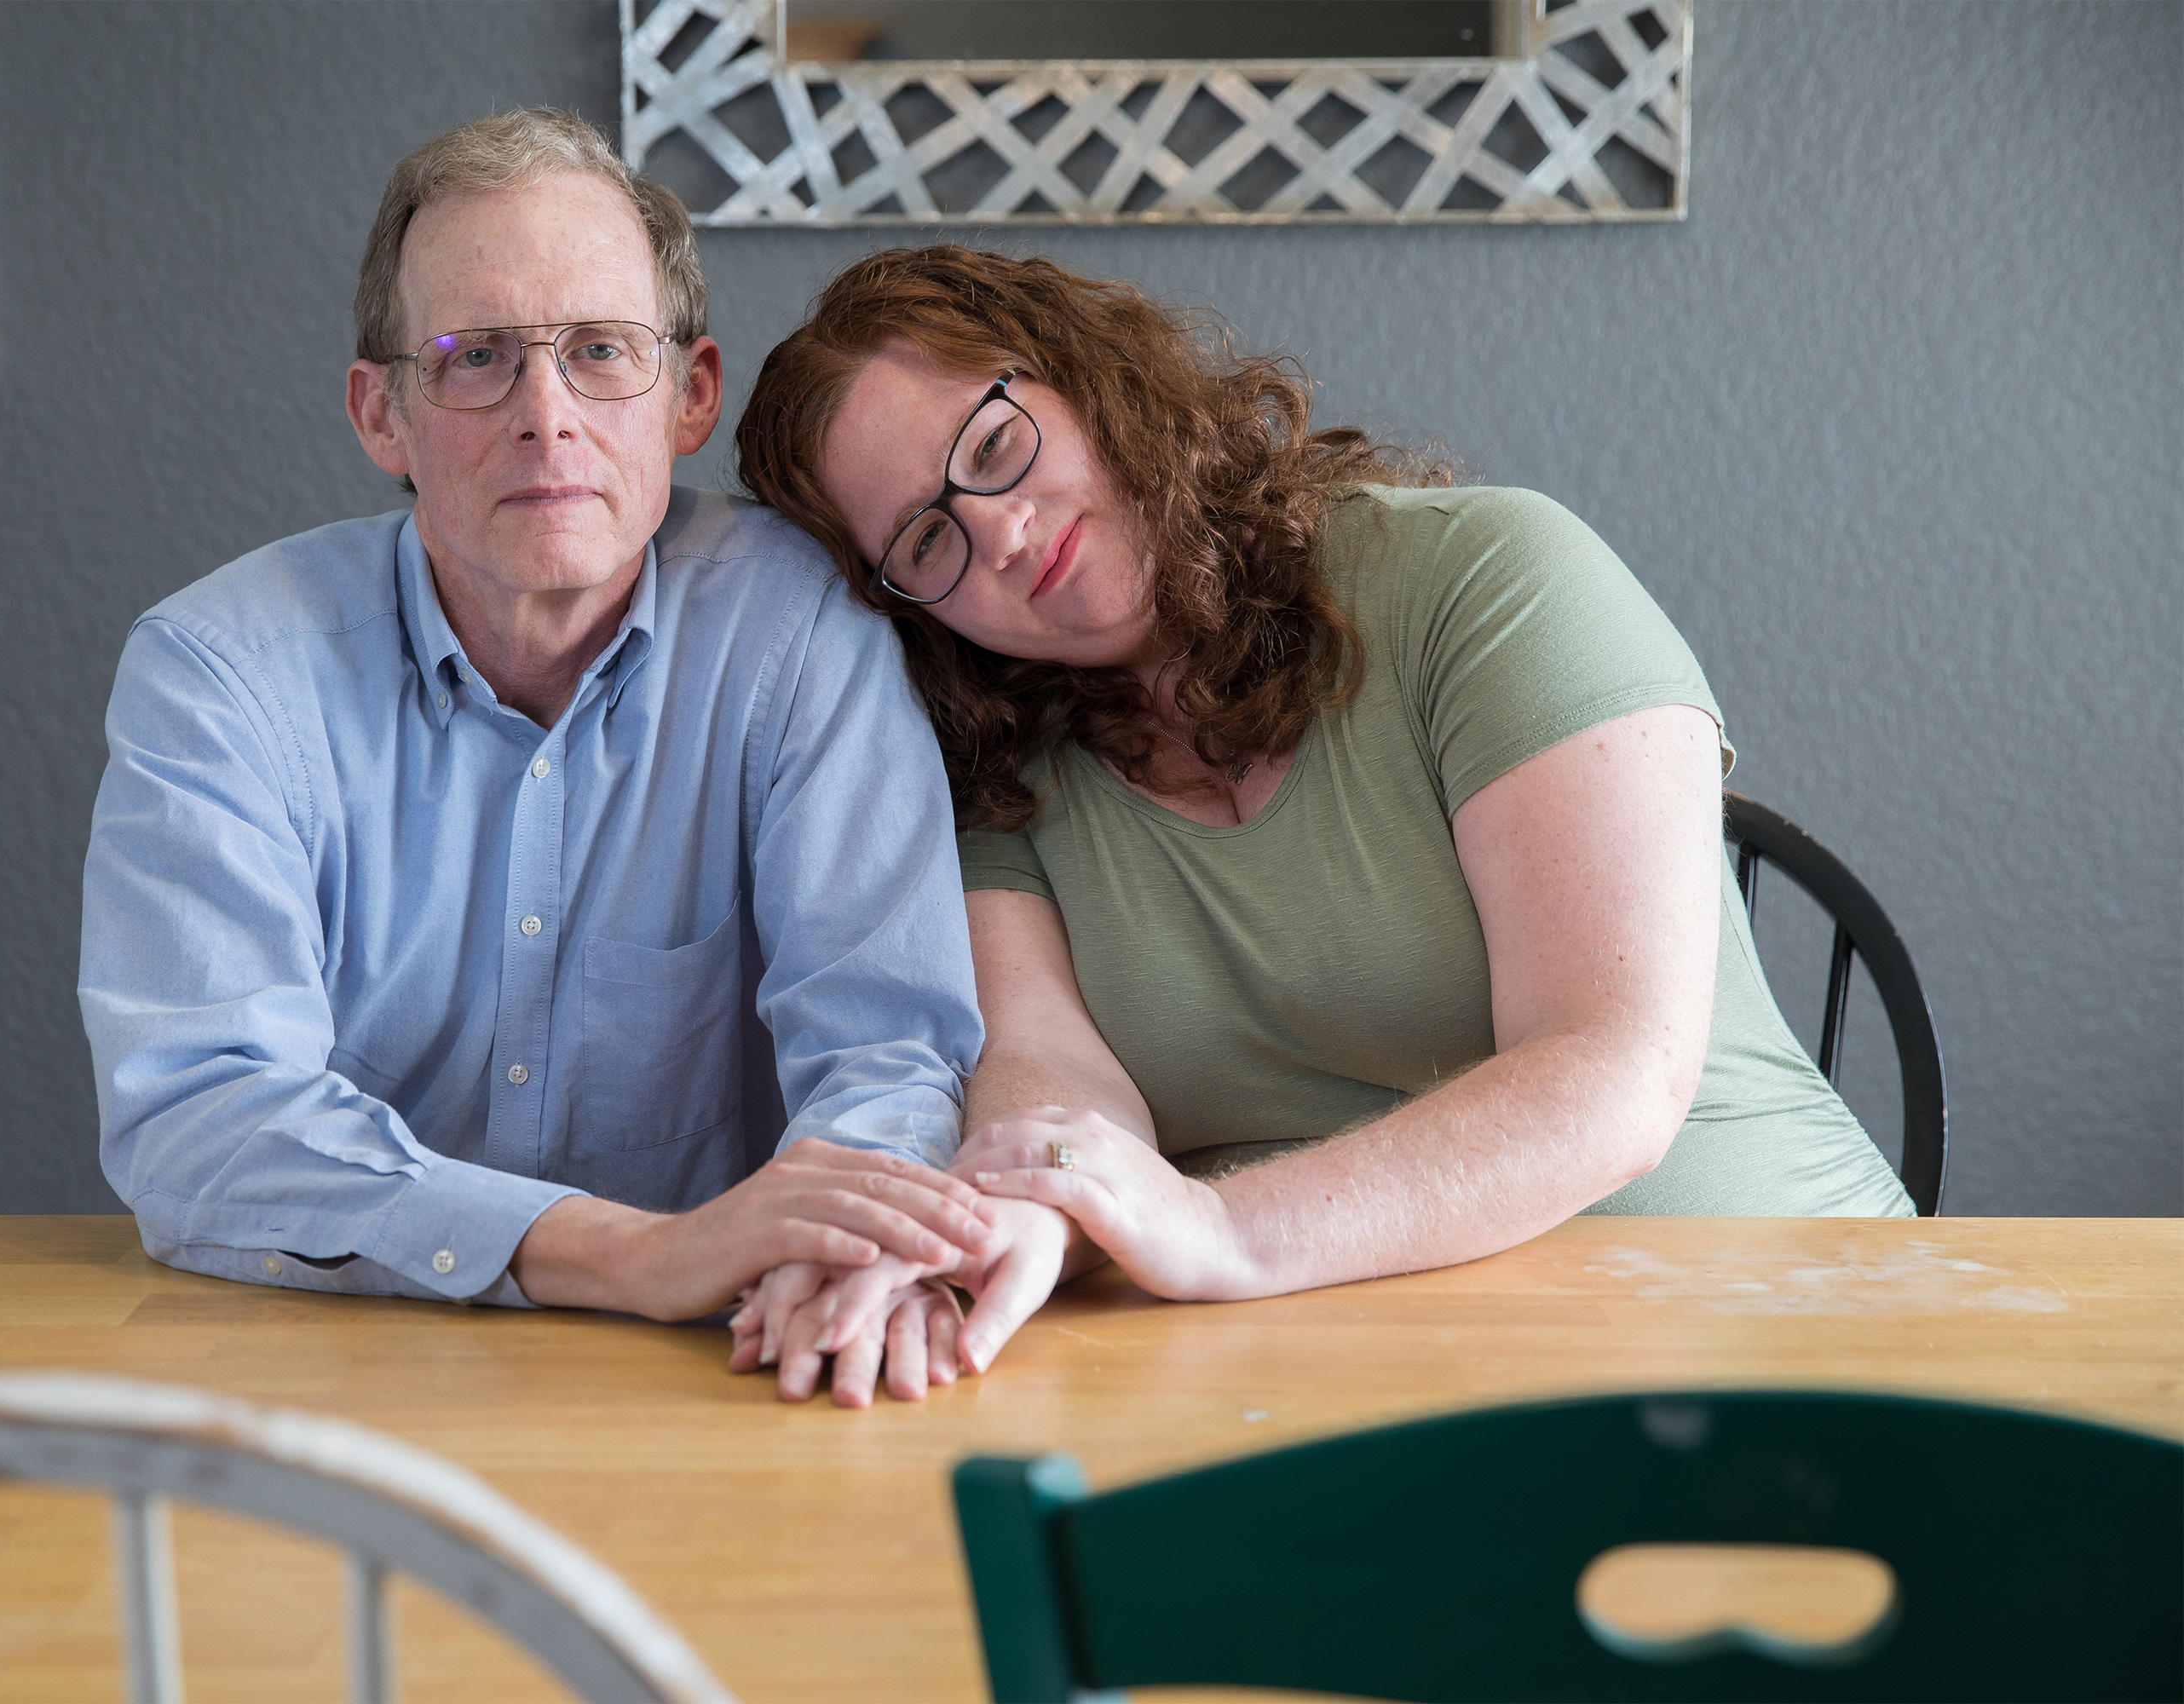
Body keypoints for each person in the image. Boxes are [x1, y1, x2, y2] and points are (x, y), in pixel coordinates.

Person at [727, 245, 1912, 1368]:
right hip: (1321, 1371)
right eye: (925, 541)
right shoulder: (996, 772)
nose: (995, 529)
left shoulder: (1489, 576)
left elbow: (1612, 1071)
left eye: (994, 446)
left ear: (1089, 379)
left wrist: (1216, 1228)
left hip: (1767, 1312)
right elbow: (1050, 1076)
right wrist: (1022, 1213)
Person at [79, 116, 1047, 1409]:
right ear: (382, 414)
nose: (546, 418)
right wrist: (634, 1254)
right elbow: (200, 1117)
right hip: (335, 1376)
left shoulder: (803, 633)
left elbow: (886, 1054)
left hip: (724, 1374)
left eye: (600, 352)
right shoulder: (221, 674)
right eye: (474, 358)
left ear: (690, 393)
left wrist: (851, 1262)